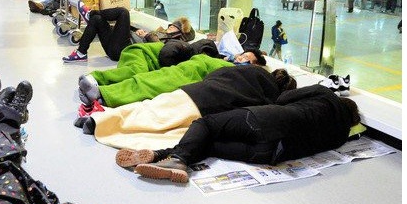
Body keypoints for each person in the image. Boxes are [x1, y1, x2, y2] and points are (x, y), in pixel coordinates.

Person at [123, 84, 361, 184]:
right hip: (270, 154)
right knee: (210, 145)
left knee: (206, 125)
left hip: (266, 121)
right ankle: (161, 156)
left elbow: (283, 98)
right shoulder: (340, 137)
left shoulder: (325, 94)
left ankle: (176, 158)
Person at [80, 65, 296, 153]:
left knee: (150, 109)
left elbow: (216, 73)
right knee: (159, 128)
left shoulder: (250, 70)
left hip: (193, 90)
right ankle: (99, 123)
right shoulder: (268, 95)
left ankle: (103, 117)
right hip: (205, 106)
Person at [78, 48, 267, 109]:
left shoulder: (240, 73)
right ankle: (101, 91)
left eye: (247, 60)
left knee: (151, 83)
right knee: (151, 78)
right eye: (243, 55)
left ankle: (104, 95)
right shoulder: (223, 59)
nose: (241, 59)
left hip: (191, 74)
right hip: (188, 68)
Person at [62, 3, 195, 63]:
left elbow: (159, 47)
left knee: (123, 12)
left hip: (124, 50)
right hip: (116, 47)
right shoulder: (161, 32)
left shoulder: (173, 42)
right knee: (97, 20)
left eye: (173, 28)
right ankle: (81, 53)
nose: (170, 28)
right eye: (171, 26)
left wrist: (146, 35)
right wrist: (139, 32)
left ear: (179, 33)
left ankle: (90, 13)